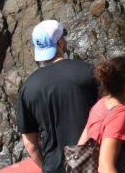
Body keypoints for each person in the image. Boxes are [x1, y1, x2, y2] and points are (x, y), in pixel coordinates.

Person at [16, 20, 99, 173]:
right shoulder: (88, 72)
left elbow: (30, 144)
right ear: (60, 43)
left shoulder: (27, 88)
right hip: (93, 163)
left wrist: (46, 168)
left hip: (55, 168)